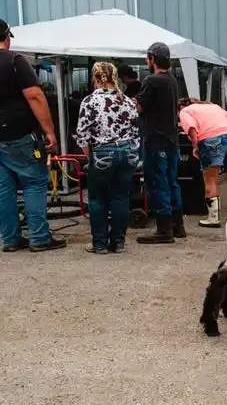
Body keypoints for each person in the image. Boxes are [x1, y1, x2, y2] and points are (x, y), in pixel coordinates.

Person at [0, 18, 66, 252]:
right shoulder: (15, 61)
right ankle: (39, 237)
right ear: (7, 37)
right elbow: (35, 97)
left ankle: (10, 239)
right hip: (19, 134)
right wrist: (50, 133)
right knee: (34, 182)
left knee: (4, 189)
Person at [74, 62, 140, 254]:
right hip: (127, 151)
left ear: (95, 77)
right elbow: (136, 131)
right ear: (115, 76)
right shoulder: (127, 101)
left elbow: (82, 134)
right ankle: (118, 243)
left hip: (102, 151)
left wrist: (90, 157)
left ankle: (100, 244)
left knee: (97, 199)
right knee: (120, 198)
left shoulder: (89, 102)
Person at [134, 42, 185, 244]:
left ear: (152, 58)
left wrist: (130, 100)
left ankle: (164, 229)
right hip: (171, 140)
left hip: (155, 140)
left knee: (157, 183)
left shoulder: (151, 80)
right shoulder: (172, 81)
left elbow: (139, 107)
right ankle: (177, 225)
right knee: (172, 182)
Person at [177, 98, 227, 227]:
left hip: (210, 140)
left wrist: (195, 146)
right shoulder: (213, 106)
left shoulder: (185, 111)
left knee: (211, 179)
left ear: (181, 106)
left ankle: (213, 218)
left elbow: (192, 128)